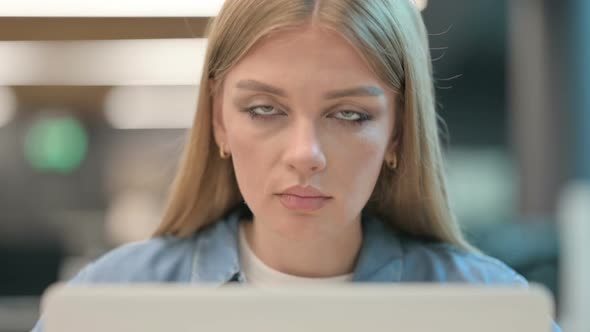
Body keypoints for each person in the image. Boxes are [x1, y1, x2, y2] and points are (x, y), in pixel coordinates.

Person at [33, 0, 561, 330]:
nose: (305, 153)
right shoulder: (109, 304)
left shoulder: (491, 311)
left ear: (398, 132)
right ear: (219, 121)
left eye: (350, 114)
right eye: (264, 110)